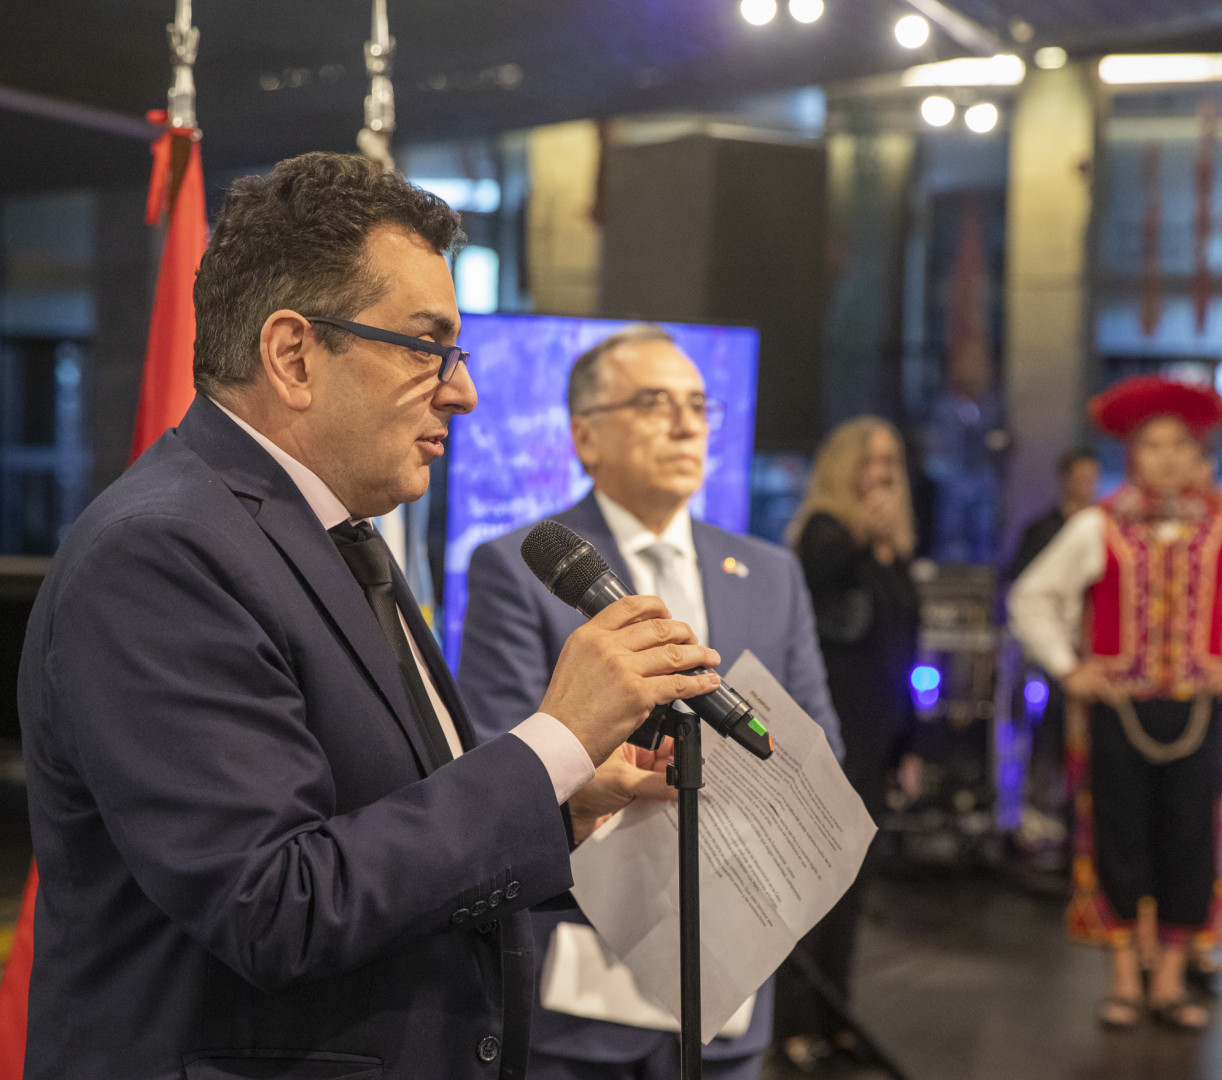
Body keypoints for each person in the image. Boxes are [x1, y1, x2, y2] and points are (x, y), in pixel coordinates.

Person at [15, 153, 723, 1080]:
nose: (461, 390)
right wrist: (553, 741)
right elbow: (277, 906)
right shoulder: (159, 553)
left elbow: (369, 820)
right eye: (426, 347)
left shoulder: (327, 530)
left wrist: (561, 801)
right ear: (293, 355)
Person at [456, 325, 842, 1080]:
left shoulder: (770, 573)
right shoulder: (521, 568)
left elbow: (818, 741)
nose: (686, 424)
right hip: (587, 975)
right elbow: (501, 750)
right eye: (654, 403)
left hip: (731, 963)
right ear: (585, 436)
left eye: (698, 405)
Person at [1010, 375, 1222, 1031]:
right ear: (1131, 455)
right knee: (1117, 839)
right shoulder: (1097, 527)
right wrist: (1068, 667)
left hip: (1199, 713)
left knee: (1190, 841)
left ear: (1198, 452)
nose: (1168, 458)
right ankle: (1124, 980)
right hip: (1118, 713)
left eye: (1180, 444)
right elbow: (1032, 596)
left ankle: (1171, 981)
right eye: (1152, 445)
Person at [775, 415, 921, 1073]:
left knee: (850, 887)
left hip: (877, 732)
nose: (881, 474)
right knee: (813, 883)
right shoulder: (826, 535)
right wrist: (867, 538)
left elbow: (905, 649)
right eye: (871, 461)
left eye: (890, 462)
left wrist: (908, 744)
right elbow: (823, 603)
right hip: (832, 731)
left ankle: (835, 1018)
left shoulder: (892, 551)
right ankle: (795, 1024)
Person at [1003, 448, 1100, 868]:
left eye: (1092, 478)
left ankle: (1084, 826)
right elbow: (1024, 592)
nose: (1086, 485)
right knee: (1047, 733)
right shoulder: (1042, 531)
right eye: (1080, 477)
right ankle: (1041, 817)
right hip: (1053, 658)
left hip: (1095, 656)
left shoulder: (1102, 528)